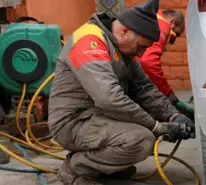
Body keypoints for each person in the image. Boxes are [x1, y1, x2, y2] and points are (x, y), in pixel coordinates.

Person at [47, 0, 195, 184]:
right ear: (125, 31)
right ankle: (75, 169)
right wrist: (157, 127)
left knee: (140, 123)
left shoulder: (122, 48)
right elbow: (109, 99)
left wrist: (173, 116)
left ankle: (102, 169)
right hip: (72, 122)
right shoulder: (89, 40)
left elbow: (144, 88)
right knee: (141, 140)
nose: (141, 54)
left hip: (97, 116)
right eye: (141, 46)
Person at [136, 9, 194, 121]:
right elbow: (149, 62)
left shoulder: (151, 19)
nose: (172, 40)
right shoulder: (162, 26)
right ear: (172, 22)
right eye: (175, 35)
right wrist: (168, 94)